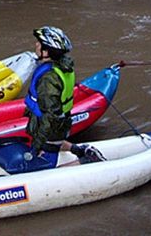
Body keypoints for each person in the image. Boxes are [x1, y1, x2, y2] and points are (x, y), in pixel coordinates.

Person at [23, 25, 106, 169]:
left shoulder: (48, 79)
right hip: (61, 123)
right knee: (54, 141)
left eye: (39, 43)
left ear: (47, 51)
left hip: (52, 127)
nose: (36, 45)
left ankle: (84, 162)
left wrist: (38, 144)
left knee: (41, 168)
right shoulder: (62, 66)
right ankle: (80, 150)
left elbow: (50, 115)